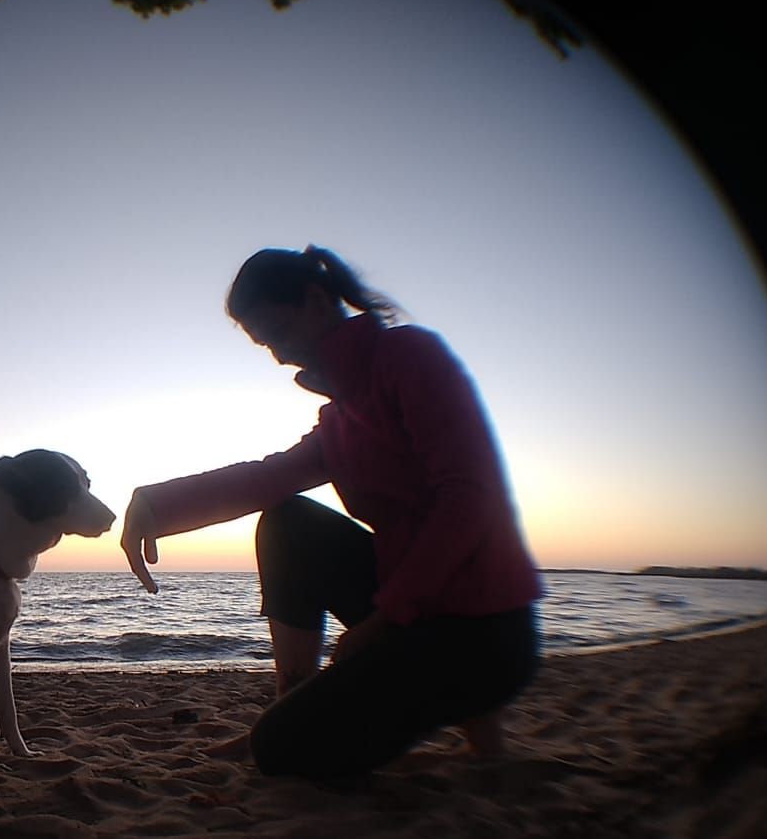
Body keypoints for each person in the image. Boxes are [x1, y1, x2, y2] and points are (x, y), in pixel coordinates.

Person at [120, 246, 543, 779]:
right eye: (264, 344)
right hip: (418, 615)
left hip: (486, 633)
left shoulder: (410, 357)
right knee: (288, 522)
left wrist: (385, 617)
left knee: (281, 750)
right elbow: (266, 478)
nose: (277, 356)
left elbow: (469, 498)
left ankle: (479, 731)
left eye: (278, 332)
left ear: (317, 301)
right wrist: (154, 504)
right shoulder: (341, 418)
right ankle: (292, 703)